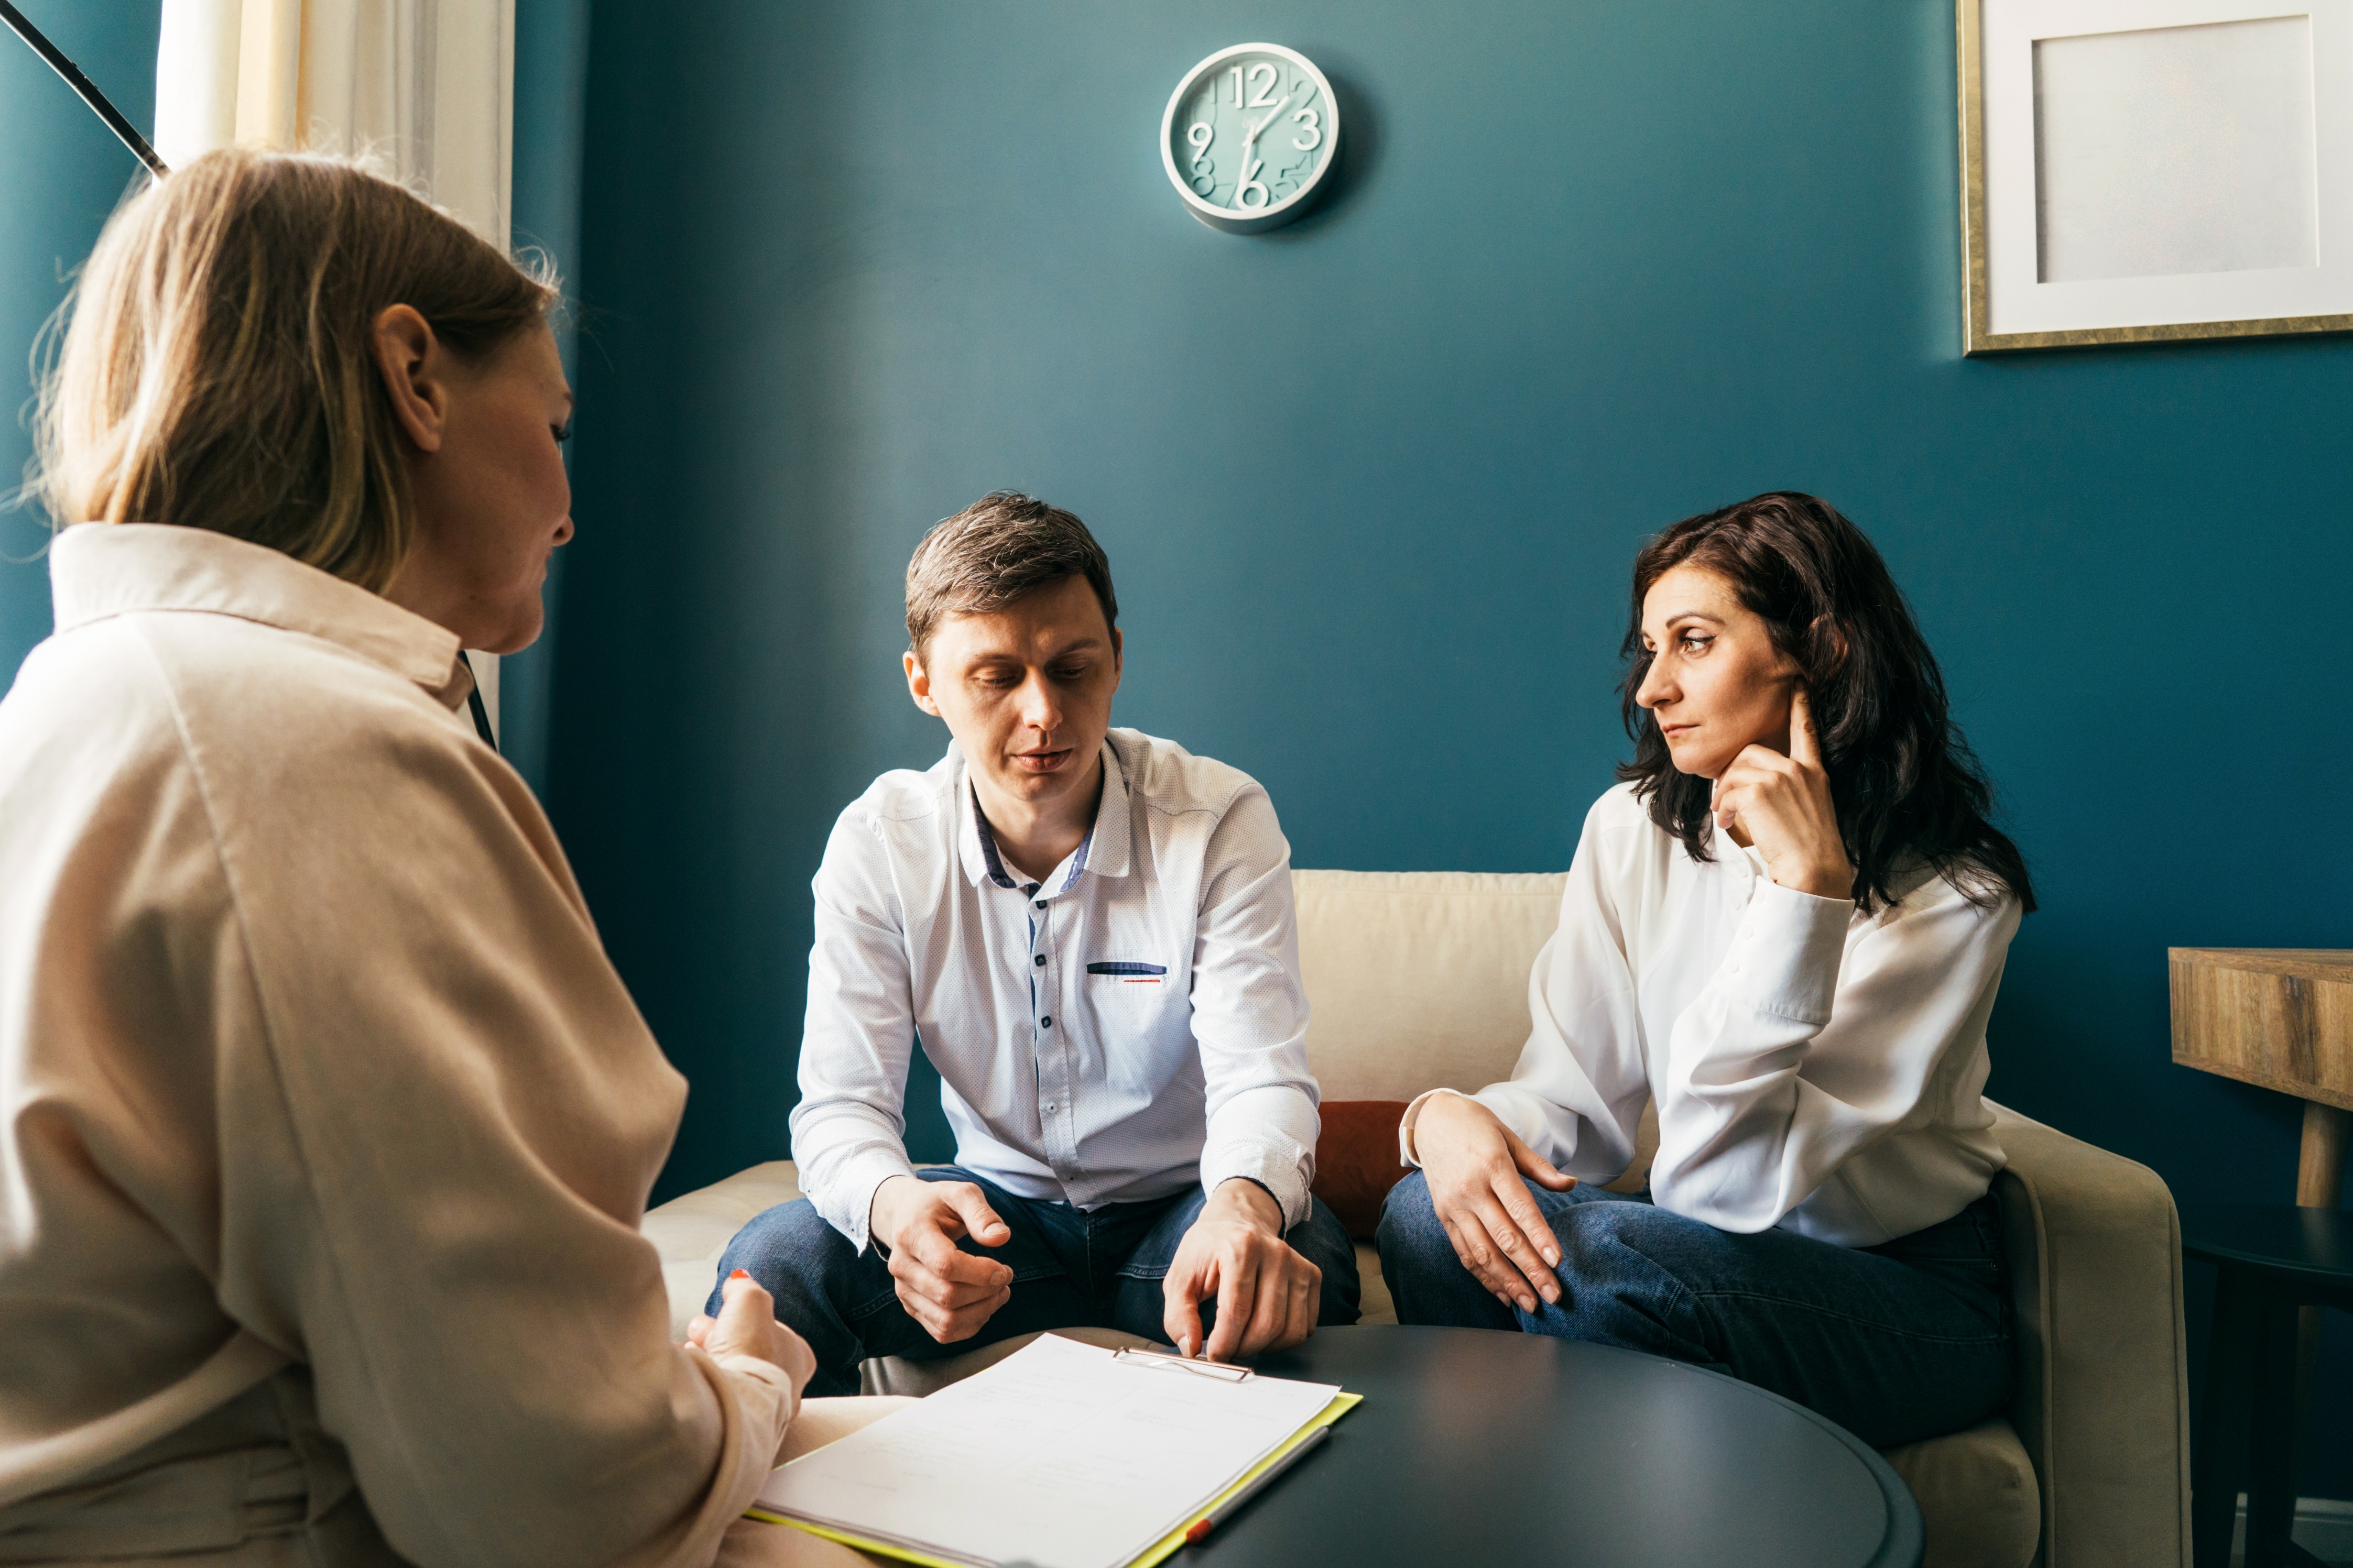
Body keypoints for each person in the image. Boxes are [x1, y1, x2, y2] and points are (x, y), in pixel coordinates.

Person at [0, 149, 890, 1567]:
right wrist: (749, 1380)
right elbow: (560, 1501)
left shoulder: (78, 701)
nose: (568, 505)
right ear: (413, 376)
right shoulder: (296, 745)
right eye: (556, 426)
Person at [1376, 491, 2034, 1449]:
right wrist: (1446, 1121)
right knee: (1423, 1215)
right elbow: (1574, 1106)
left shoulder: (1956, 896)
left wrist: (1805, 894)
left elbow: (1720, 1189)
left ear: (1821, 649)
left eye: (1691, 641)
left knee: (1608, 1263)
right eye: (1649, 648)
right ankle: (1533, 1505)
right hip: (1698, 1261)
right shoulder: (1630, 828)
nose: (1650, 688)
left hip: (1901, 1293)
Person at [712, 492, 1359, 1394]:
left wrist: (1241, 1208)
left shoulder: (1218, 818)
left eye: (1072, 667)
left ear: (1118, 659)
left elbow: (1262, 1077)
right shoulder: (878, 842)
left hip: (1181, 1214)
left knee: (1286, 1257)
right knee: (775, 1257)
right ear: (923, 682)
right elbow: (840, 1107)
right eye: (996, 675)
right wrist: (900, 1213)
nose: (1044, 712)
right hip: (998, 1226)